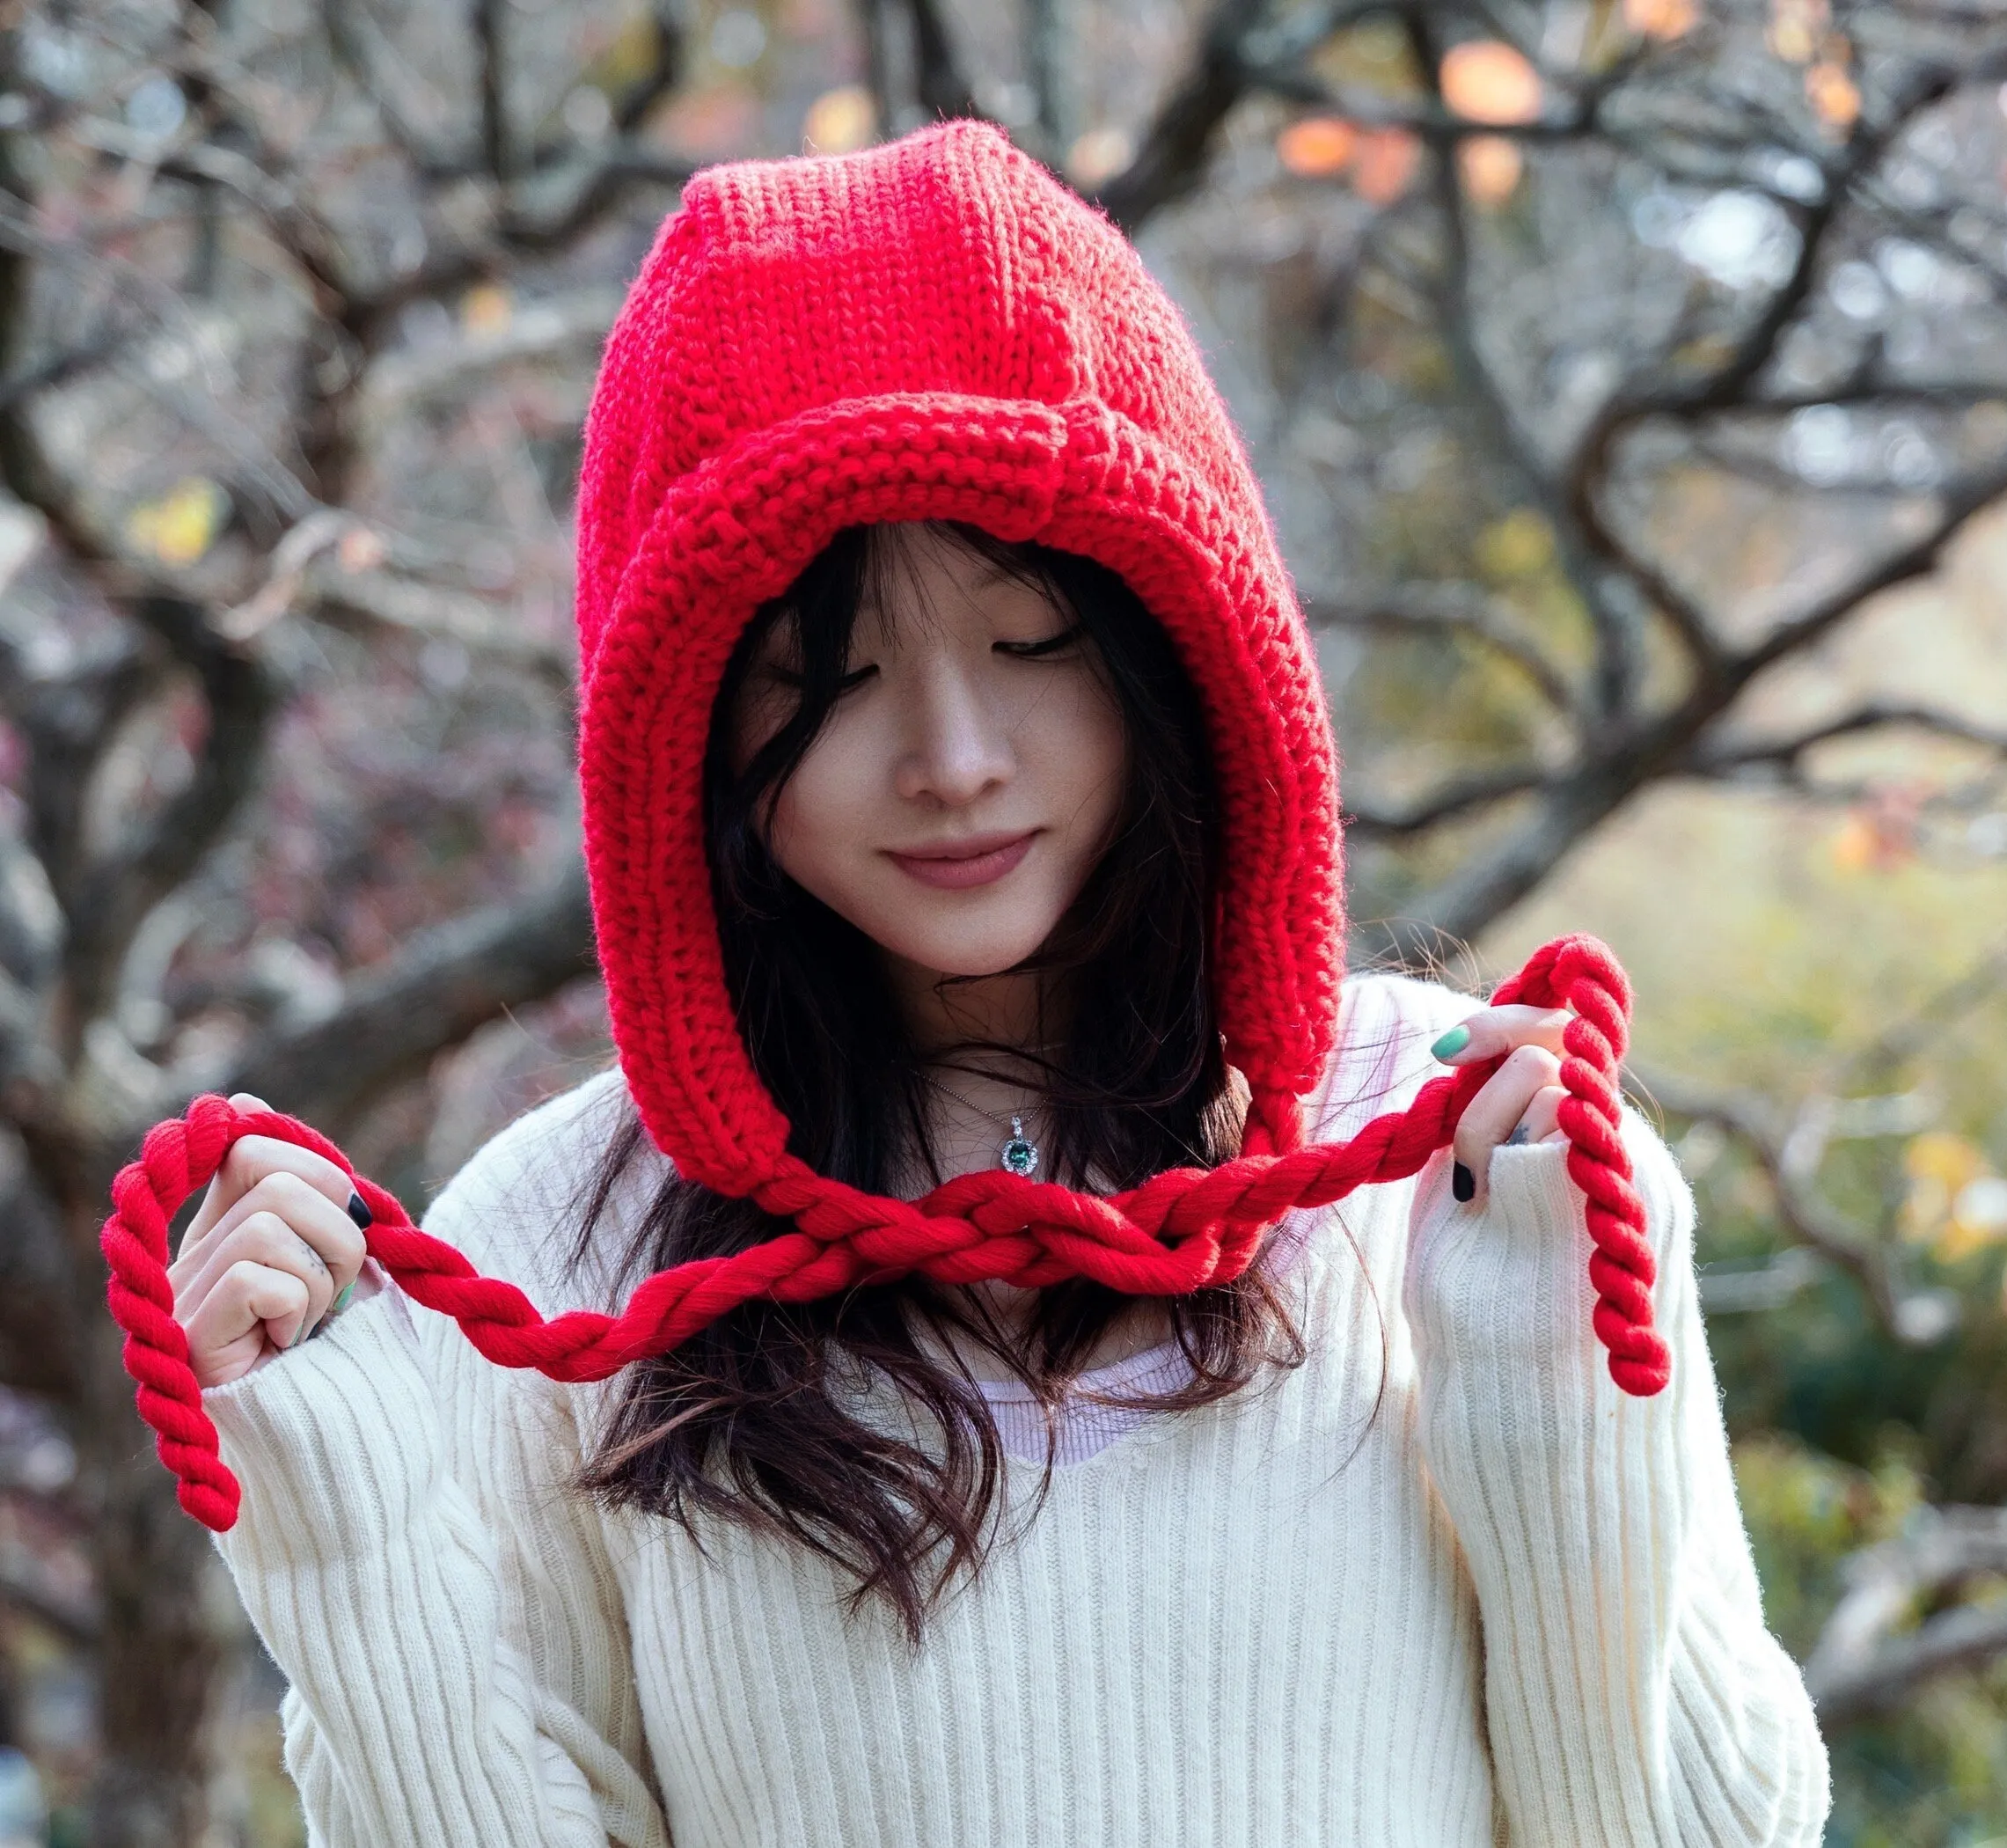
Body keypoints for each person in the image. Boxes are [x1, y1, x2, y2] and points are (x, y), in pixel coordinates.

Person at [172, 120, 1828, 1845]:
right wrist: (343, 1523)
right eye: (832, 672)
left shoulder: (1459, 1148)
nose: (951, 758)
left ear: (1173, 648)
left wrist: (1545, 1378)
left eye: (1030, 639)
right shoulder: (553, 1249)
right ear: (687, 729)